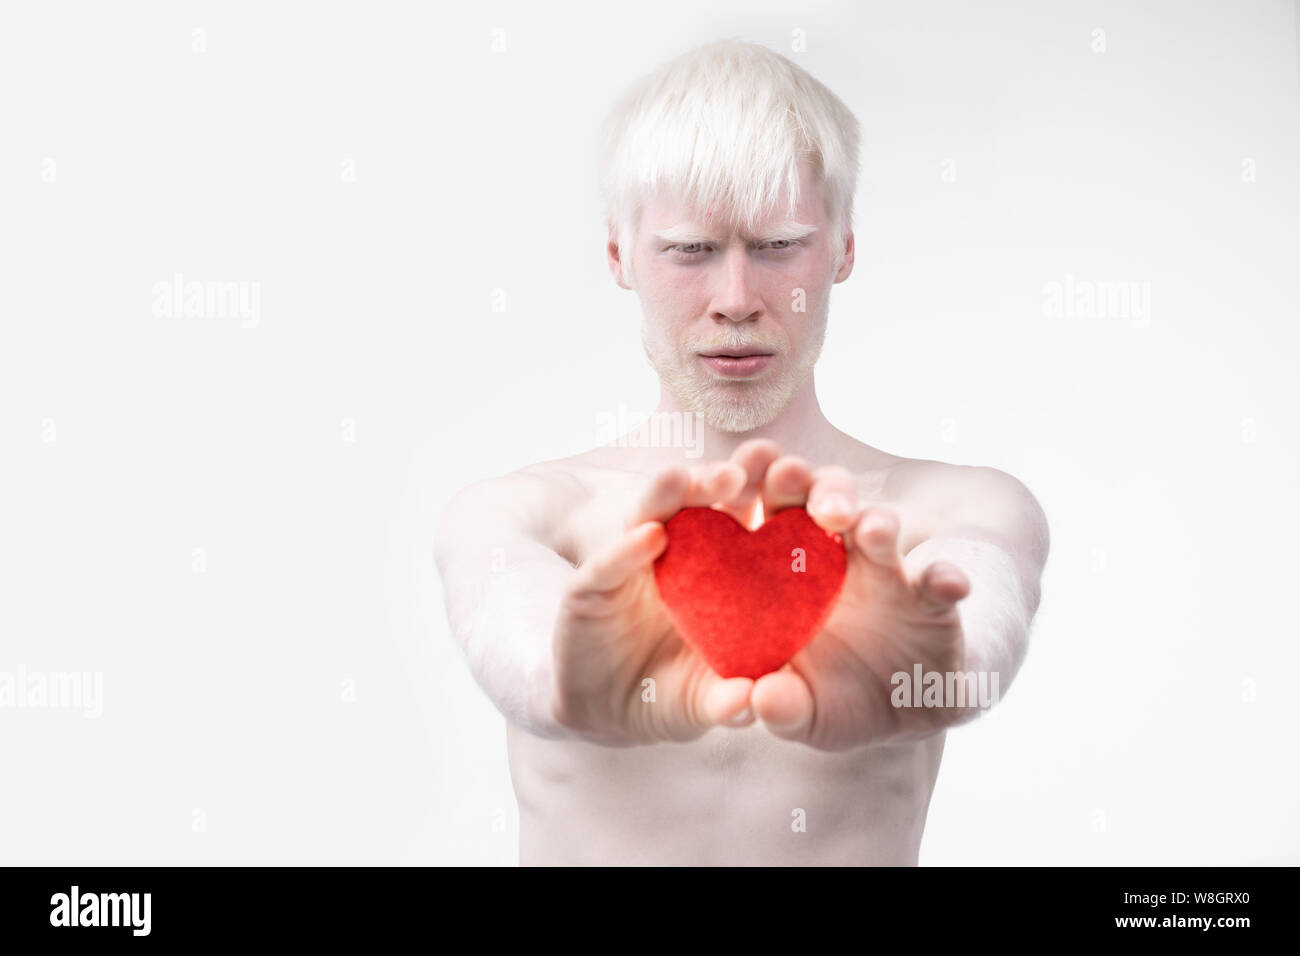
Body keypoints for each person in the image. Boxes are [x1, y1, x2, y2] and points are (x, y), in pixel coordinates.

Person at [435, 38, 1049, 865]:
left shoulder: (953, 508)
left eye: (776, 246)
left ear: (843, 248)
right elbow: (514, 637)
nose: (735, 301)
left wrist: (933, 675)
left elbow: (983, 618)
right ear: (618, 255)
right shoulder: (518, 513)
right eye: (690, 251)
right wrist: (572, 681)